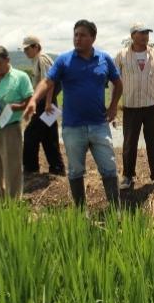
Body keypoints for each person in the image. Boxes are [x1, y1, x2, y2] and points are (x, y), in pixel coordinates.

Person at [26, 19, 123, 207]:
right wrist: (33, 100)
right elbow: (47, 82)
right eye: (75, 34)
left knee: (109, 168)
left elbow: (118, 83)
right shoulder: (64, 60)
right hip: (73, 127)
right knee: (76, 171)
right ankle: (80, 212)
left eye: (82, 35)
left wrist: (113, 106)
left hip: (99, 124)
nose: (77, 39)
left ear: (93, 38)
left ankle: (116, 211)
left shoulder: (104, 59)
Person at [114, 22, 154, 189]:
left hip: (151, 104)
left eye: (147, 33)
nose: (146, 36)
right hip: (131, 106)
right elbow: (114, 81)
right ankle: (127, 176)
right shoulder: (122, 55)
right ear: (133, 36)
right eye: (142, 33)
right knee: (129, 143)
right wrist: (113, 103)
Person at [0, 46, 33, 199]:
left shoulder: (21, 77)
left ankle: (13, 200)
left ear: (7, 60)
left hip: (10, 126)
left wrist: (13, 106)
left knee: (12, 166)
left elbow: (29, 100)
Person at [21, 35, 65, 180]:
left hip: (46, 104)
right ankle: (57, 169)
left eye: (27, 48)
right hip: (47, 104)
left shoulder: (42, 59)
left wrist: (47, 103)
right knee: (48, 137)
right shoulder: (36, 60)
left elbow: (50, 81)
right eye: (24, 49)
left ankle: (31, 169)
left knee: (30, 135)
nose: (25, 52)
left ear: (36, 47)